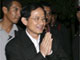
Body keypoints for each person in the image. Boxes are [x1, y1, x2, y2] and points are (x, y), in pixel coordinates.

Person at [5, 2, 70, 60]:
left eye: (43, 19)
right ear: (25, 21)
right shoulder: (13, 46)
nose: (42, 23)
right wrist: (42, 54)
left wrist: (50, 53)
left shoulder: (51, 40)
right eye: (37, 19)